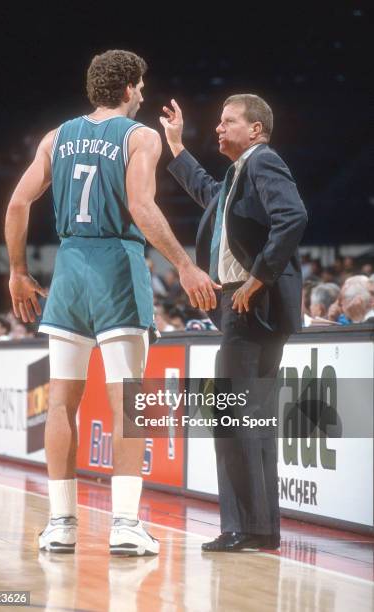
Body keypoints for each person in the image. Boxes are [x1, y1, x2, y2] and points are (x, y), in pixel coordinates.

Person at [5, 50, 219, 557]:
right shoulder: (140, 137)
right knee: (129, 404)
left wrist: (17, 270)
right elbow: (141, 207)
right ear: (128, 88)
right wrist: (185, 266)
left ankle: (61, 524)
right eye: (141, 86)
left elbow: (17, 202)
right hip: (117, 265)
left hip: (69, 268)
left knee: (60, 402)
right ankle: (125, 525)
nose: (143, 94)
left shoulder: (56, 137)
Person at [161, 94, 307, 552]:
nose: (219, 129)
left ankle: (240, 526)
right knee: (255, 420)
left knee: (228, 415)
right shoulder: (238, 172)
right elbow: (208, 193)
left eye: (228, 122)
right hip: (252, 308)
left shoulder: (262, 162)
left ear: (256, 130)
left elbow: (293, 217)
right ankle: (261, 528)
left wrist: (256, 280)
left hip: (249, 306)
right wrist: (176, 147)